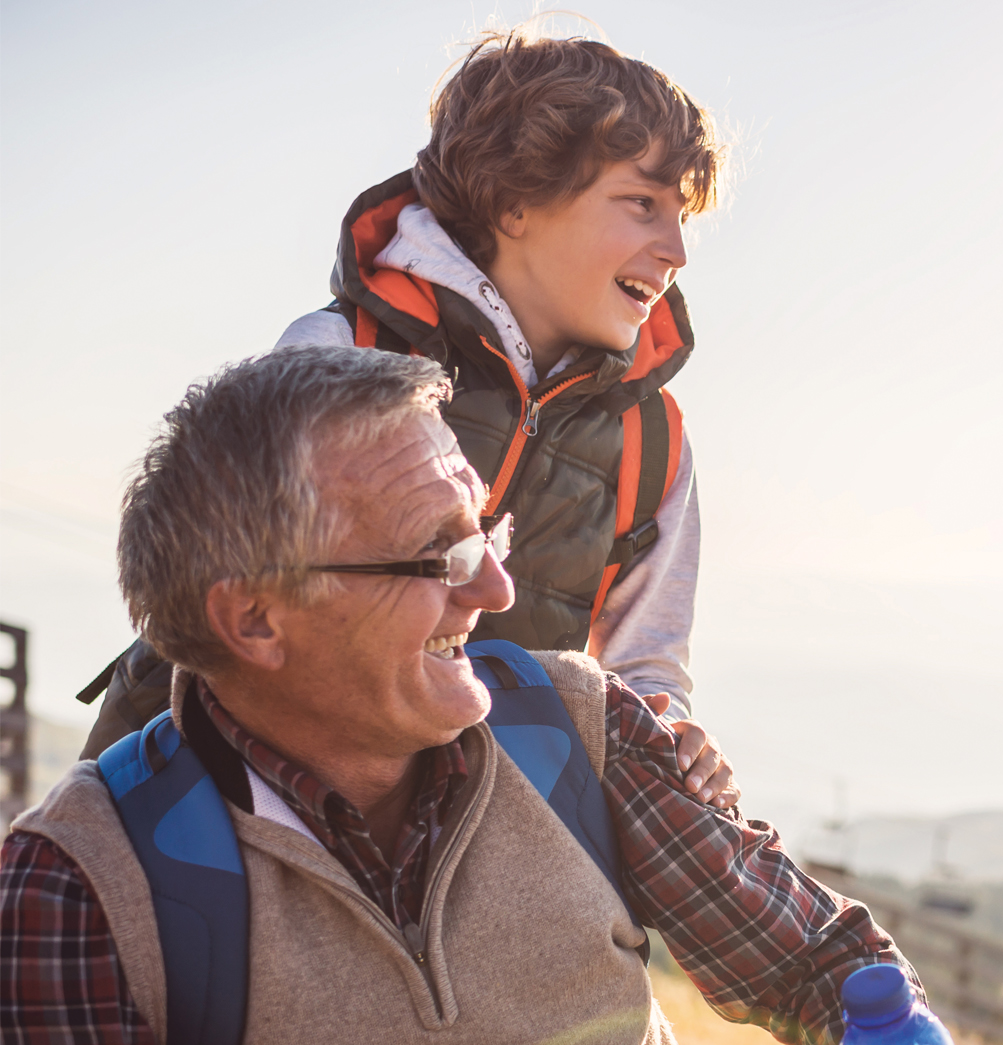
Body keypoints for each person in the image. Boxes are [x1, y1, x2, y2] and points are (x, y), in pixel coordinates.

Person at [1, 348, 1003, 1045]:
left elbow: (826, 966)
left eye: (487, 527)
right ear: (253, 617)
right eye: (438, 554)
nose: (493, 585)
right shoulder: (81, 891)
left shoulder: (572, 725)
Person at [81, 25, 733, 809]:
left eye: (682, 217)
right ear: (515, 201)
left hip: (458, 822)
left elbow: (643, 670)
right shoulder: (339, 351)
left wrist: (672, 732)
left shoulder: (650, 440)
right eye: (642, 205)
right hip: (211, 791)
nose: (677, 251)